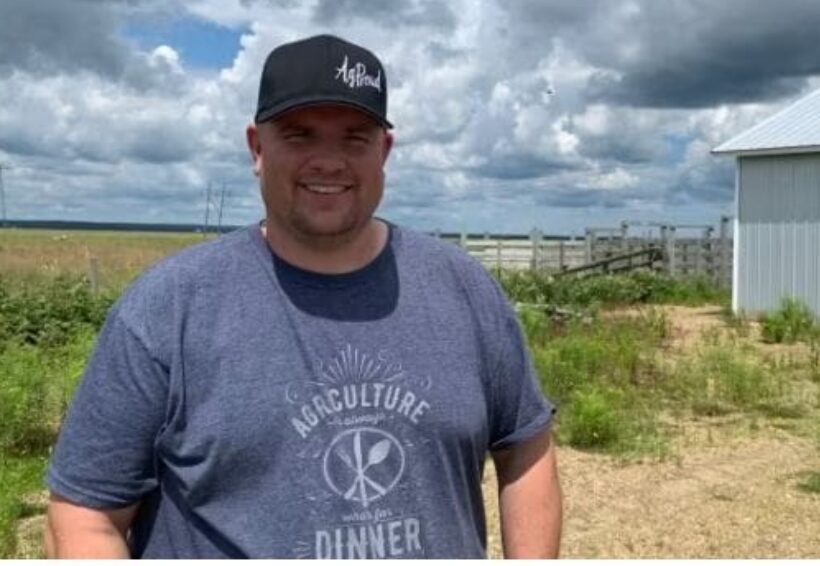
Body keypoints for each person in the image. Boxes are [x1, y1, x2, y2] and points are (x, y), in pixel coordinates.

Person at [44, 34, 562, 559]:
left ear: (383, 151)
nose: (328, 162)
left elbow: (526, 452)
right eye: (299, 135)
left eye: (355, 138)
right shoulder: (167, 310)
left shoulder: (465, 291)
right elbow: (86, 514)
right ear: (256, 148)